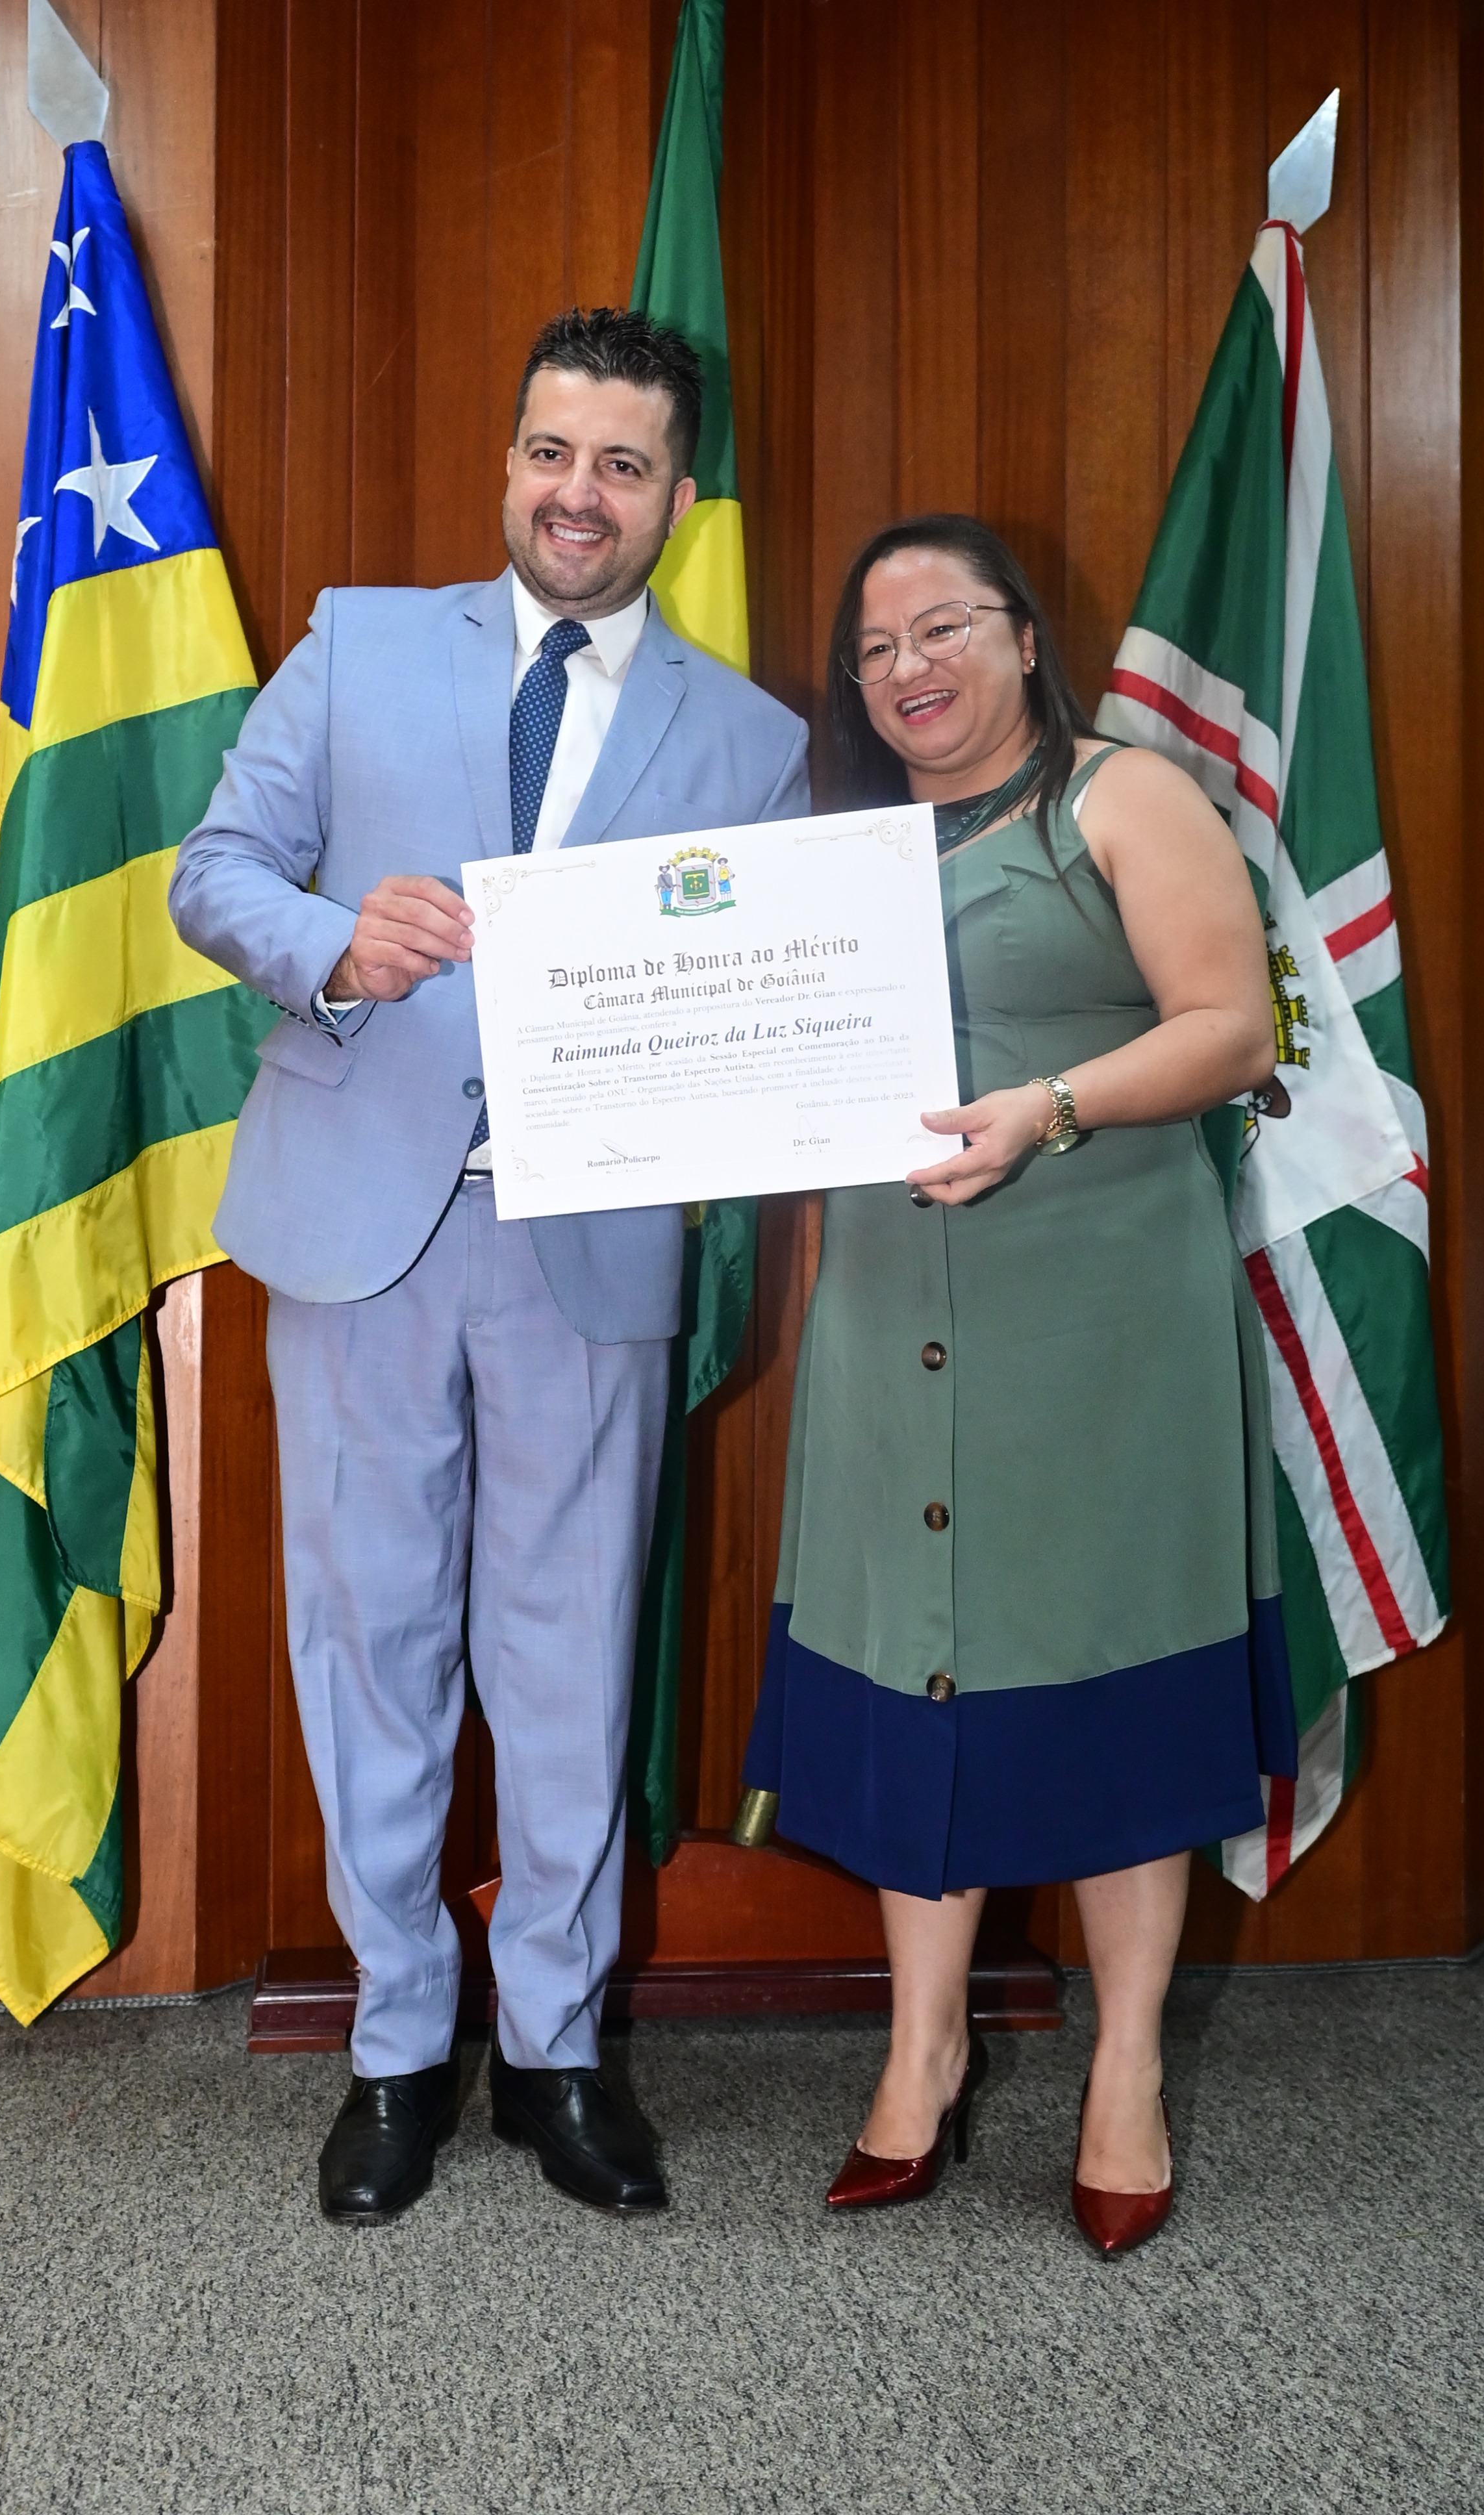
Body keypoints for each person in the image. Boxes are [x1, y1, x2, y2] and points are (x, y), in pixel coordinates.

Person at [171, 308, 809, 2224]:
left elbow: (764, 1017)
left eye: (622, 464)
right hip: (360, 1228)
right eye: (551, 452)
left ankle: (553, 2047)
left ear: (677, 500)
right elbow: (214, 870)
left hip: (589, 1252)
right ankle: (395, 2046)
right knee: (366, 1644)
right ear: (509, 461)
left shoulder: (752, 740)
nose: (577, 493)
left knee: (568, 1655)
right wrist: (332, 945)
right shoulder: (361, 643)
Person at [738, 512, 1295, 2254]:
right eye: (875, 647)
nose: (906, 667)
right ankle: (924, 2052)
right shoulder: (834, 858)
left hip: (1100, 1329)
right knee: (921, 1672)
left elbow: (1233, 1028)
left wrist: (1048, 1107)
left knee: (1113, 1674)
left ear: (1027, 638)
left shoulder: (1123, 797)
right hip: (888, 1318)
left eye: (944, 628)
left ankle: (1128, 2071)